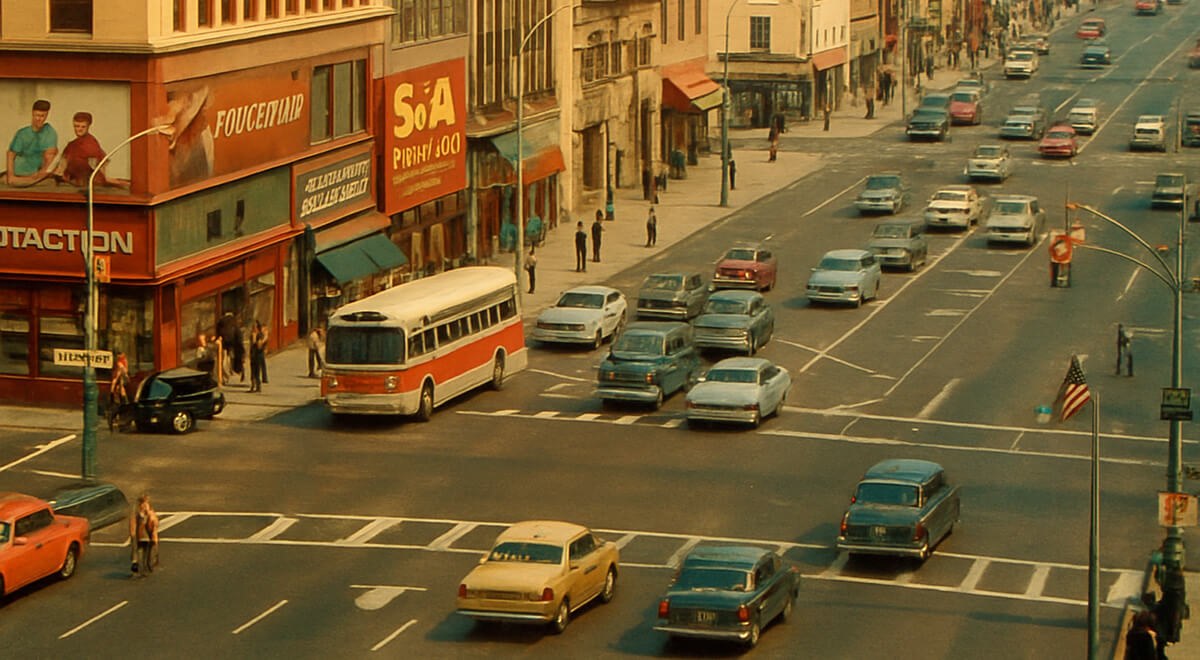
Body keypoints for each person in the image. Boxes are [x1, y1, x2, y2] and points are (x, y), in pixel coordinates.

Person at [52, 112, 130, 189]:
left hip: (91, 184)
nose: (79, 129)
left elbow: (98, 167)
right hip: (71, 182)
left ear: (88, 126)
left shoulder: (91, 144)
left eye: (83, 127)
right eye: (77, 126)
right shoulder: (71, 145)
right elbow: (61, 166)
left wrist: (109, 180)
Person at [5, 99, 58, 186]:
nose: (39, 119)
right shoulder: (22, 133)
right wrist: (10, 176)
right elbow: (11, 154)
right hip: (18, 174)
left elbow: (50, 159)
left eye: (42, 116)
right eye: (37, 115)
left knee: (49, 183)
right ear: (32, 114)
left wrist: (38, 176)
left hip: (38, 176)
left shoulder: (50, 132)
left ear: (46, 115)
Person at [129, 492, 159, 577]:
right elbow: (133, 524)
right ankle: (139, 567)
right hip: (140, 536)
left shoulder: (150, 513)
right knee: (139, 552)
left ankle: (145, 567)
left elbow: (154, 524)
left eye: (146, 503)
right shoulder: (137, 514)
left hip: (147, 536)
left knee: (146, 553)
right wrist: (133, 534)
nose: (145, 506)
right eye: (143, 503)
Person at [249, 320, 267, 393]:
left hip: (258, 355)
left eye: (255, 327)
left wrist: (255, 340)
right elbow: (251, 345)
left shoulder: (259, 335)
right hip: (253, 355)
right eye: (253, 327)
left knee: (257, 371)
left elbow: (259, 346)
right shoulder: (252, 335)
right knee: (252, 371)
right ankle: (252, 385)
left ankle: (258, 386)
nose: (253, 329)